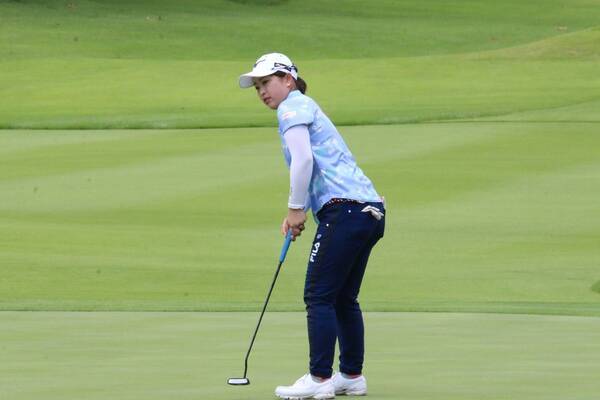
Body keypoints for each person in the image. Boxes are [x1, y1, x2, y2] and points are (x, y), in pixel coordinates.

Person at [238, 52, 385, 400]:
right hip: (368, 211)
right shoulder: (305, 106)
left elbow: (303, 160)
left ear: (288, 80)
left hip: (344, 210)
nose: (262, 91)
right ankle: (351, 375)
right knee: (343, 297)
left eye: (267, 82)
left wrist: (295, 209)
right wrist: (299, 209)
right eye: (257, 86)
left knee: (318, 295)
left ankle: (319, 378)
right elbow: (315, 165)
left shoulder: (292, 108)